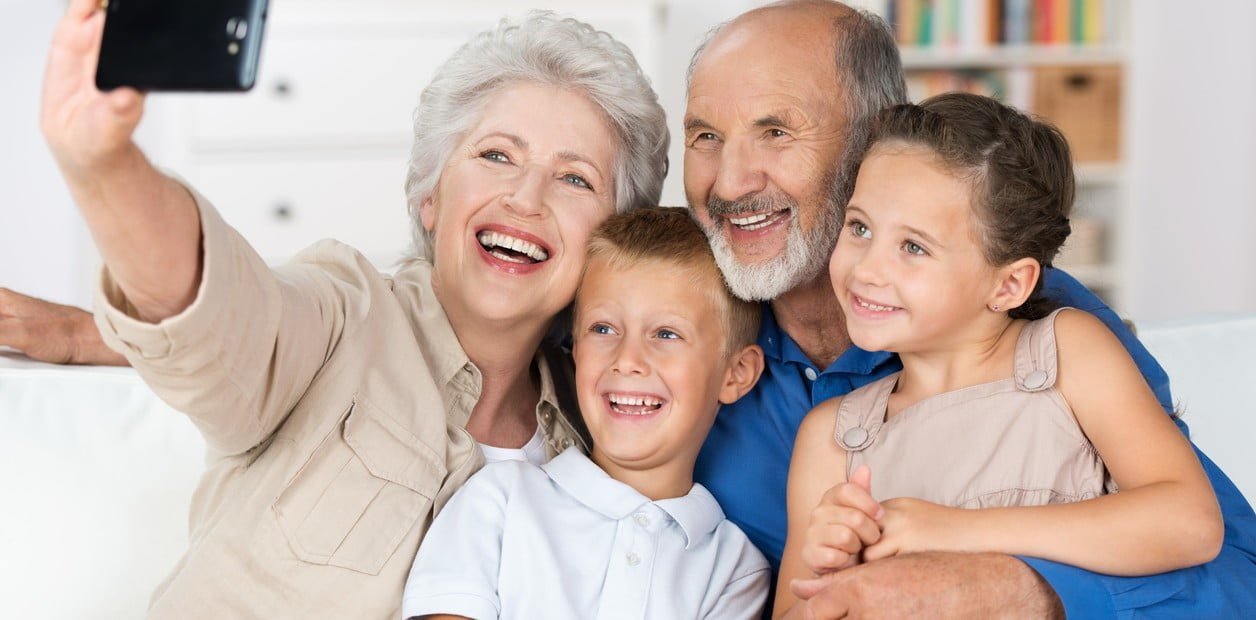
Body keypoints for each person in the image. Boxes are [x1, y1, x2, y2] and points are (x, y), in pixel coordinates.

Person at [39, 1, 667, 618]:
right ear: (431, 197)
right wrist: (106, 165)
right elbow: (218, 315)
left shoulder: (608, 426)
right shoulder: (344, 317)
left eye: (576, 178)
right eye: (496, 155)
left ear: (614, 242)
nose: (525, 197)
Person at [684, 1, 1256, 617]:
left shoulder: (1054, 334)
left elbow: (1226, 571)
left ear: (866, 142)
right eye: (706, 136)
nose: (731, 181)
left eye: (776, 131)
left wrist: (1015, 587)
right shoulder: (685, 343)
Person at [772, 93, 1224, 617]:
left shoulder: (1066, 353)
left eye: (913, 247)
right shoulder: (832, 437)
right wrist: (831, 569)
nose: (867, 268)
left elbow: (1191, 522)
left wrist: (952, 530)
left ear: (1009, 285)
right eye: (860, 228)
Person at [402, 206, 770, 620]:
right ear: (574, 348)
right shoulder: (500, 499)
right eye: (603, 329)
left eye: (666, 334)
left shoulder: (733, 571)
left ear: (736, 374)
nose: (627, 359)